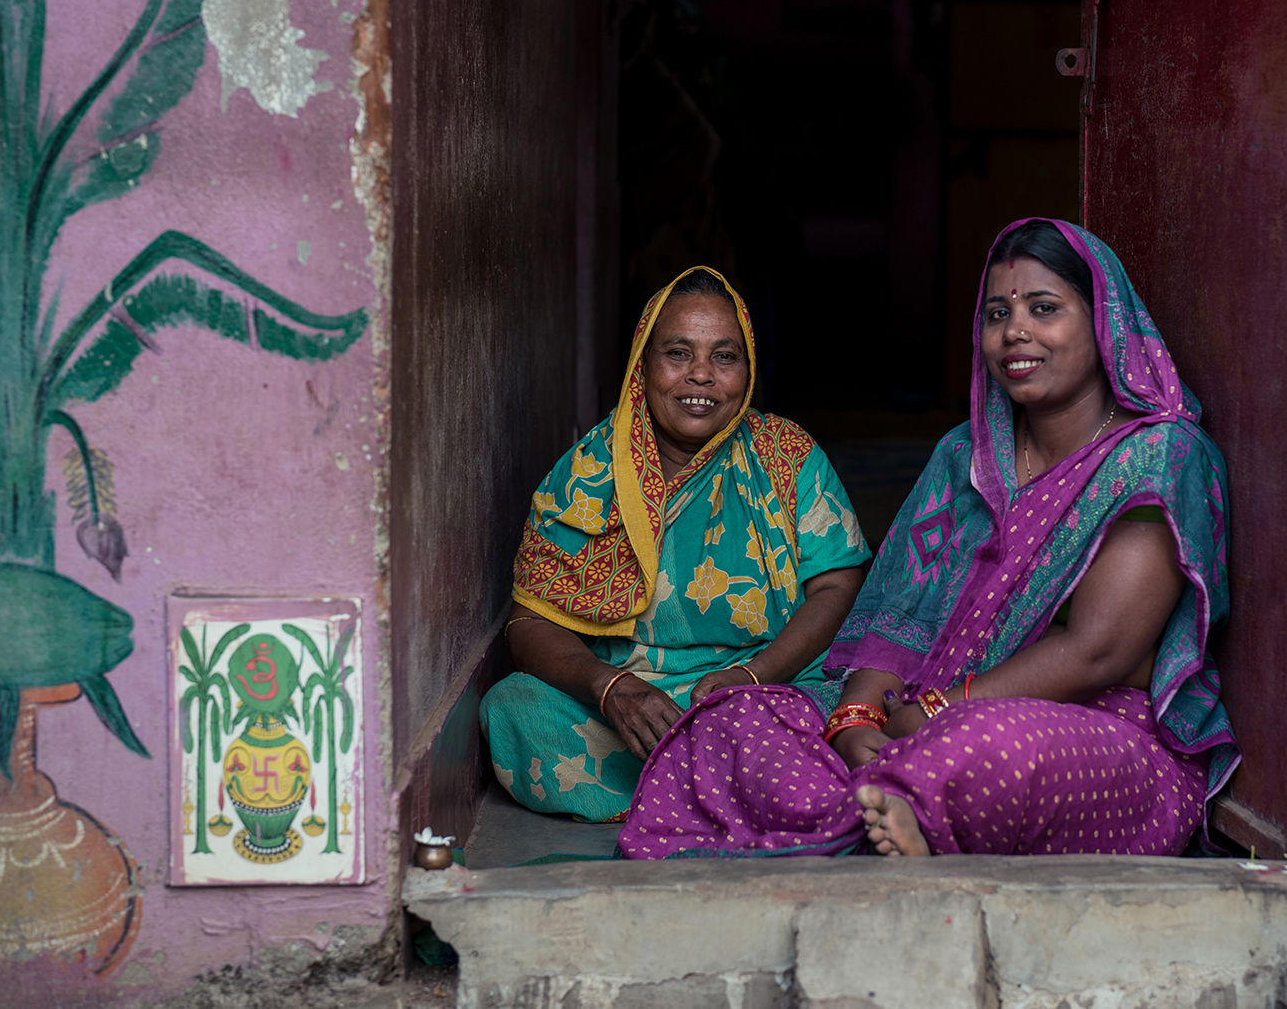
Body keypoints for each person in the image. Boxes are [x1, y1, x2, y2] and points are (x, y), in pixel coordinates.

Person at [617, 220, 1237, 858]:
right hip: (916, 710)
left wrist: (940, 712)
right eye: (998, 313)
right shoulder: (964, 456)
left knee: (994, 745)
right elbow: (896, 617)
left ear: (1103, 321)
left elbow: (1098, 652)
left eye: (1044, 309)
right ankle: (886, 799)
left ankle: (902, 802)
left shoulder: (1157, 459)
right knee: (733, 718)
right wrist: (856, 718)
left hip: (1086, 729)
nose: (1015, 331)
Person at [482, 267, 871, 821]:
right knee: (513, 709)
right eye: (678, 353)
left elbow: (837, 584)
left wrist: (750, 677)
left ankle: (684, 786)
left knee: (845, 707)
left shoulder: (787, 455)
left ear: (748, 367)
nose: (702, 376)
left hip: (765, 690)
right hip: (632, 705)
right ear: (644, 365)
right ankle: (737, 789)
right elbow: (529, 621)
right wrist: (610, 686)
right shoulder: (589, 474)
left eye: (725, 356)